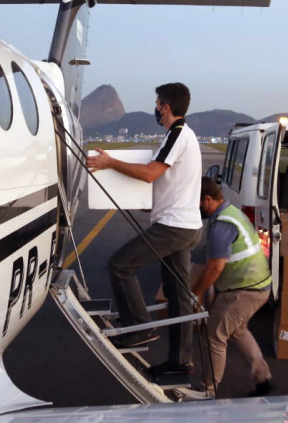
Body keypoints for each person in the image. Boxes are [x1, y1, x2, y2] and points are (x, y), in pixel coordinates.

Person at [87, 83, 202, 377]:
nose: (156, 109)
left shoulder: (177, 134)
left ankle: (139, 329)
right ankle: (180, 363)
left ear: (166, 106)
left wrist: (110, 162)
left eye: (157, 103)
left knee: (119, 265)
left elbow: (151, 174)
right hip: (183, 224)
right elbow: (173, 186)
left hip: (174, 227)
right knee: (178, 298)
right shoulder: (182, 136)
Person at [192, 177, 273, 397]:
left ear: (207, 199)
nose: (195, 208)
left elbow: (215, 267)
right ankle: (263, 379)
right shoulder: (231, 212)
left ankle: (207, 391)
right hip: (257, 286)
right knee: (238, 330)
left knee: (214, 336)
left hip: (244, 290)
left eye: (196, 202)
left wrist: (196, 293)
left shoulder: (222, 223)